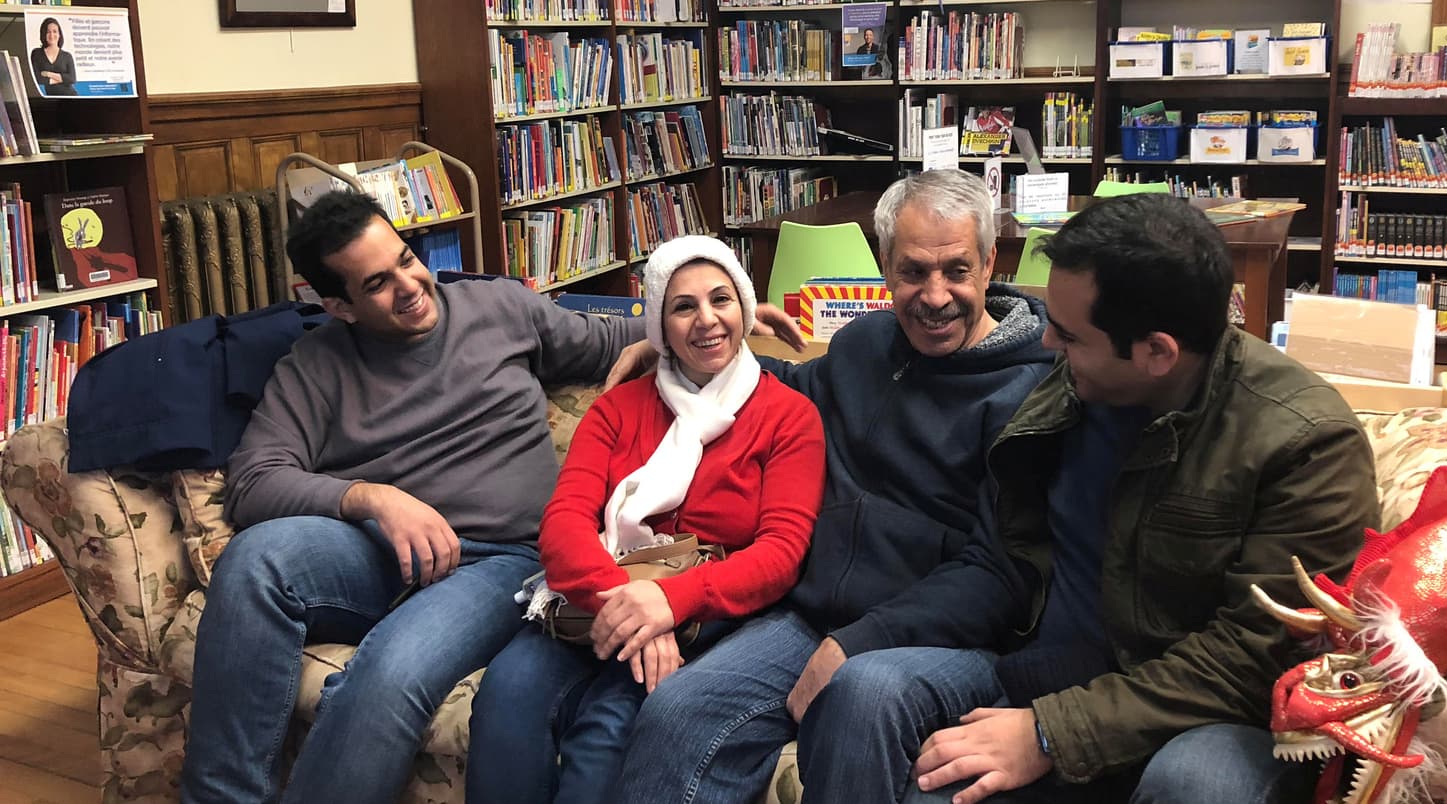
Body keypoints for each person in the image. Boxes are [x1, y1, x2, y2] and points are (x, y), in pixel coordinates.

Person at [867, 193, 1377, 804]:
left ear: (1156, 352)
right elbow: (1006, 553)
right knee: (883, 709)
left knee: (1198, 784)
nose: (1047, 343)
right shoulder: (1081, 385)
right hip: (1046, 671)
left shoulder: (1307, 444)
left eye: (1069, 334)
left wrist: (1052, 733)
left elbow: (1255, 659)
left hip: (1202, 710)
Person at [179, 189, 645, 804]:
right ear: (337, 305)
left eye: (406, 258)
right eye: (377, 283)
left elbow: (612, 337)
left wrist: (728, 317)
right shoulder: (315, 364)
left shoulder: (501, 307)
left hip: (502, 559)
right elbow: (254, 479)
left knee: (390, 673)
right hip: (375, 551)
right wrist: (374, 498)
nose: (410, 285)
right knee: (253, 561)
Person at [607, 169, 1057, 803]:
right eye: (911, 273)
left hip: (939, 638)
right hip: (808, 615)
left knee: (861, 694)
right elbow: (788, 388)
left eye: (956, 270)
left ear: (989, 264)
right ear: (883, 268)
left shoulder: (1031, 392)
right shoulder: (869, 342)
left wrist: (859, 643)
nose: (934, 296)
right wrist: (682, 350)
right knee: (676, 711)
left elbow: (1000, 574)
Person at [465, 236, 826, 804]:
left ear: (745, 306)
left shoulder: (788, 416)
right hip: (598, 595)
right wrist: (632, 606)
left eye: (721, 300)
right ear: (659, 326)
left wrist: (672, 602)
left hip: (710, 610)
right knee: (506, 697)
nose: (706, 319)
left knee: (609, 730)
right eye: (683, 306)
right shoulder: (617, 408)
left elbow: (781, 553)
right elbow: (562, 526)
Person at [30, 17, 76, 96]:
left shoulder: (67, 56)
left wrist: (48, 74)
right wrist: (63, 79)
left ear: (59, 35)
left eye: (55, 31)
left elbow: (72, 79)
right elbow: (38, 79)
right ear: (44, 34)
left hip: (70, 96)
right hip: (49, 99)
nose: (52, 35)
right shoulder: (36, 53)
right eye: (48, 32)